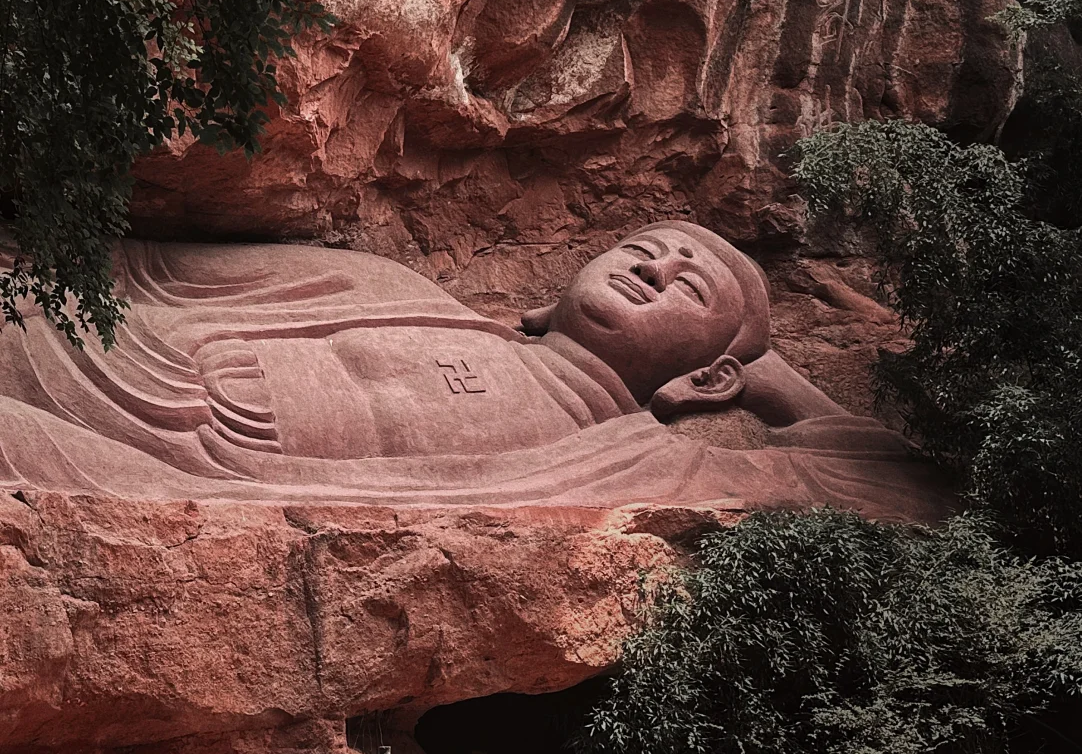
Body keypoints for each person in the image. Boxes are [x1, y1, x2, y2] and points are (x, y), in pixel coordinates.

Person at [0, 222, 948, 521]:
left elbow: (890, 481)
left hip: (169, 473)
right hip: (101, 349)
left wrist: (755, 368)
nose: (654, 268)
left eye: (686, 286)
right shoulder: (388, 286)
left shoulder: (637, 464)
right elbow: (129, 270)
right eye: (642, 248)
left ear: (708, 377)